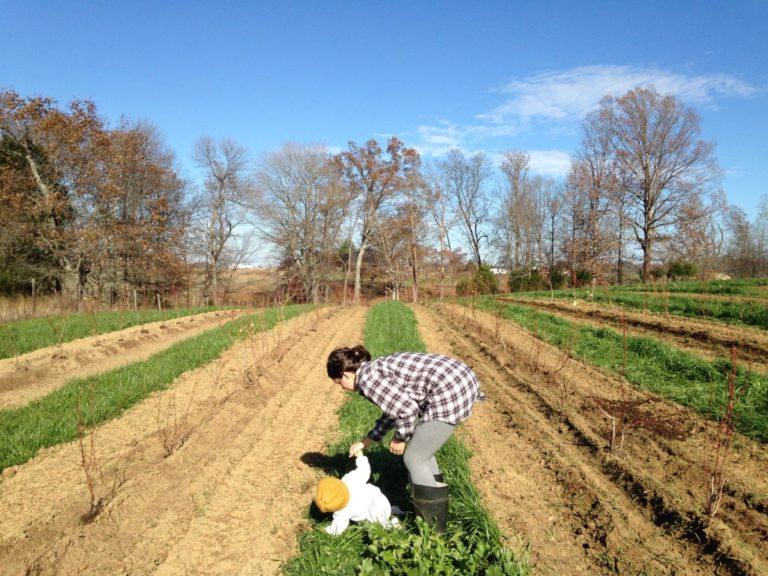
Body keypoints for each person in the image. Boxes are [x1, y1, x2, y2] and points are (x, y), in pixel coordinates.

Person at [326, 345, 484, 533]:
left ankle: (433, 531)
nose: (343, 389)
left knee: (414, 458)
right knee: (422, 449)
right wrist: (365, 441)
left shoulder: (367, 380)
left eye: (339, 384)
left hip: (450, 388)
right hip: (458, 377)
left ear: (345, 375)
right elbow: (393, 410)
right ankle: (436, 514)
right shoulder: (370, 371)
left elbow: (406, 410)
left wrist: (400, 438)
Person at [314, 449, 401, 536]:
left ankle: (392, 525)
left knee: (381, 524)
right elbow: (364, 470)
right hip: (381, 500)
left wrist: (327, 531)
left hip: (373, 516)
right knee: (384, 512)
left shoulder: (341, 512)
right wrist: (360, 457)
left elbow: (338, 526)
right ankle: (394, 510)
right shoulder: (349, 480)